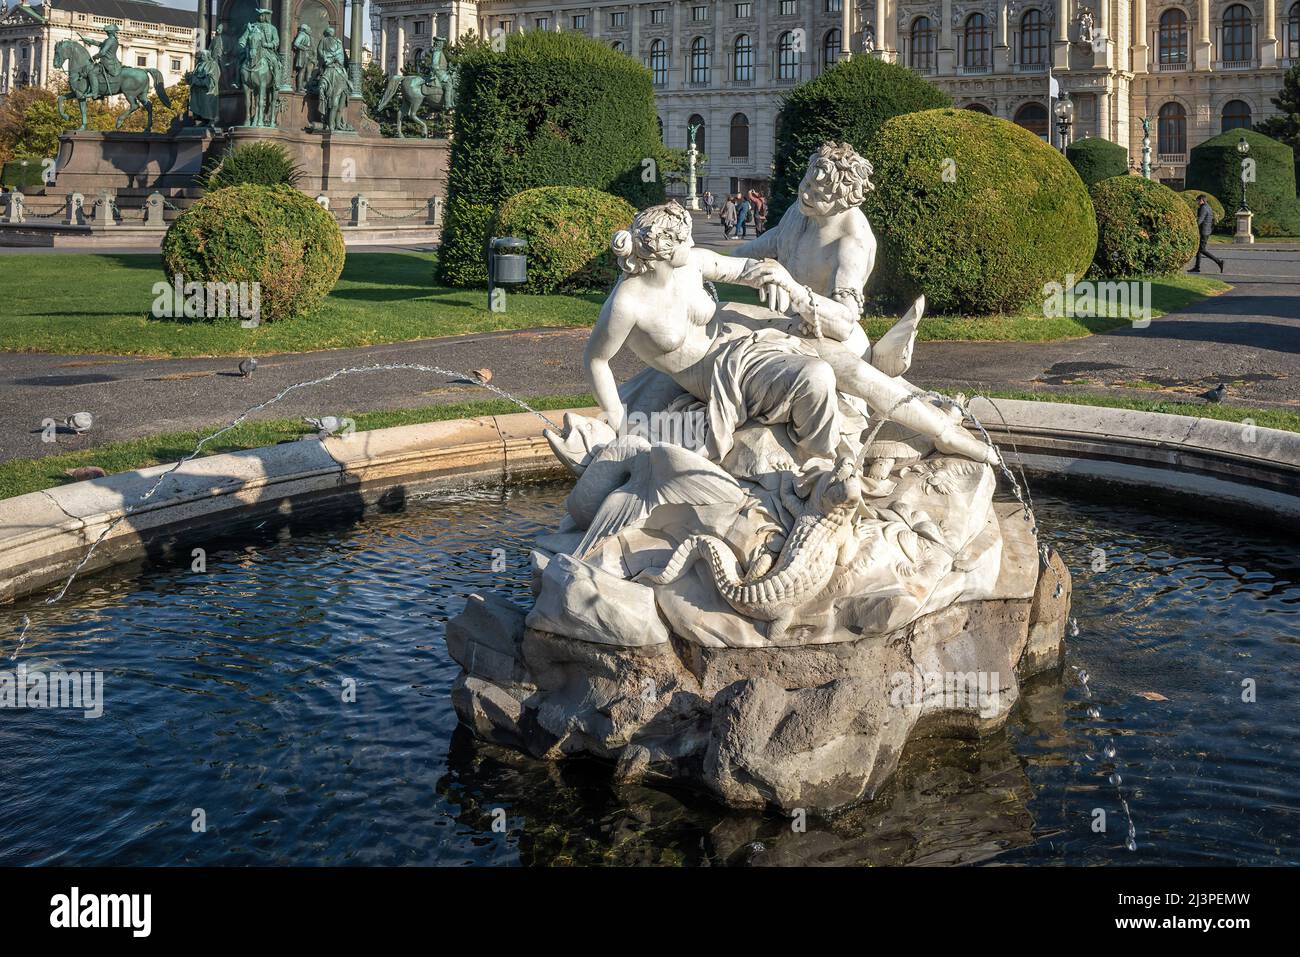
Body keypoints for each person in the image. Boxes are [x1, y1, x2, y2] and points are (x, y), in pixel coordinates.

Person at [584, 202, 996, 467]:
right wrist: (621, 426)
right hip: (718, 370)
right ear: (659, 248)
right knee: (816, 376)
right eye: (683, 238)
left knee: (849, 365)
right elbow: (597, 360)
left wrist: (778, 279)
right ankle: (819, 462)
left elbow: (739, 269)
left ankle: (944, 433)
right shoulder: (628, 303)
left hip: (740, 329)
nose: (692, 242)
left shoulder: (687, 263)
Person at [78, 24, 121, 98]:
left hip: (108, 63)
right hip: (108, 62)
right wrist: (90, 41)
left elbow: (102, 52)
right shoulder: (111, 40)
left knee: (92, 72)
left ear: (109, 32)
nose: (117, 33)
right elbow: (101, 44)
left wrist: (94, 57)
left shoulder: (110, 40)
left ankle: (94, 93)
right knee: (89, 68)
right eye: (116, 32)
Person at [1190, 196, 1224, 274]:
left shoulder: (1203, 208)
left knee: (1202, 250)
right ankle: (1197, 267)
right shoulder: (1208, 207)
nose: (1197, 202)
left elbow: (1200, 220)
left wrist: (1192, 226)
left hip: (1203, 231)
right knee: (1199, 250)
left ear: (1201, 200)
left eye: (1197, 200)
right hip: (1206, 231)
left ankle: (1219, 262)